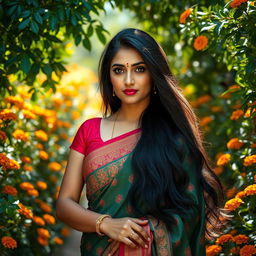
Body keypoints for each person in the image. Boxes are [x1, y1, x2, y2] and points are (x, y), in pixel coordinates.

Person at [56, 28, 226, 256]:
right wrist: (106, 224)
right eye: (118, 70)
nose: (128, 80)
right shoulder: (89, 131)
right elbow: (65, 204)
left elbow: (191, 210)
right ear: (109, 77)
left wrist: (144, 232)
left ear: (153, 74)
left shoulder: (173, 137)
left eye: (139, 69)